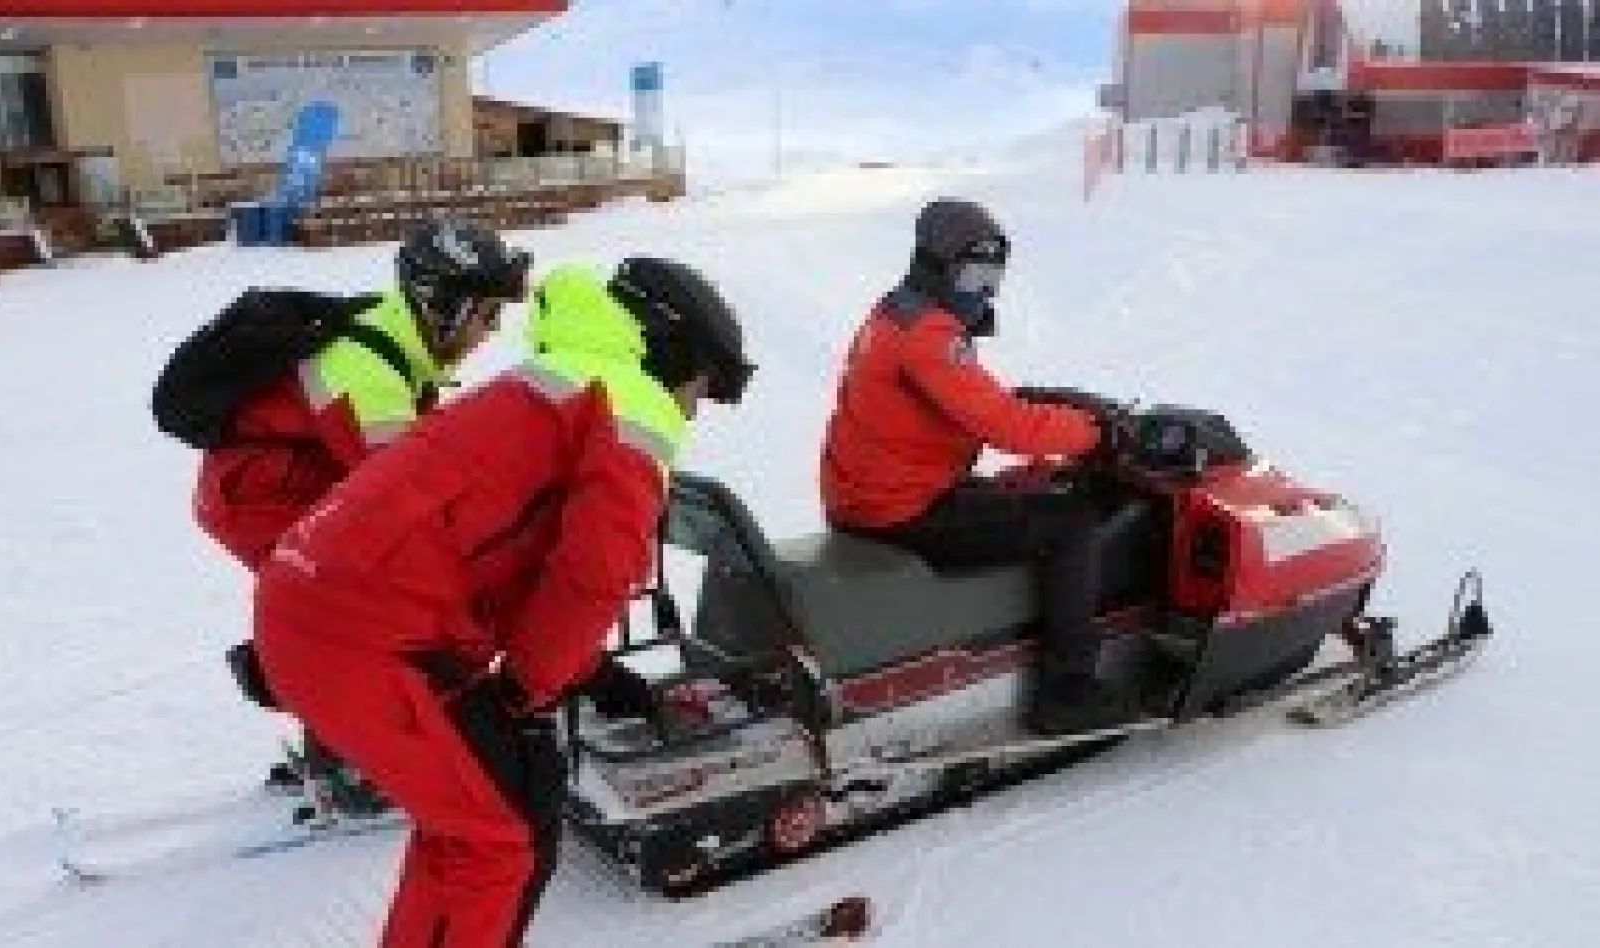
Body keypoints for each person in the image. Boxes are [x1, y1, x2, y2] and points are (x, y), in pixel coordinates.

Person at [252, 258, 753, 947]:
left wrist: (592, 677)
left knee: (469, 826)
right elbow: (592, 574)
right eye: (700, 387)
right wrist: (523, 692)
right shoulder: (634, 402)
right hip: (371, 638)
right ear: (671, 350)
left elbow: (513, 558)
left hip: (320, 606)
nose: (693, 408)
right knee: (501, 841)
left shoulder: (558, 379)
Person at [192, 219, 532, 801]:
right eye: (487, 314)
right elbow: (406, 502)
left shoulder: (396, 341)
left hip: (294, 486)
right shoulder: (366, 372)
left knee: (359, 604)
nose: (492, 332)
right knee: (357, 607)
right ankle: (343, 758)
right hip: (261, 500)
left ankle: (324, 720)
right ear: (444, 306)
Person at [819, 197, 1132, 736]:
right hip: (901, 509)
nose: (984, 290)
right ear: (939, 266)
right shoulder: (928, 335)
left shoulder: (897, 312)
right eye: (975, 273)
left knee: (1034, 490)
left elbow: (959, 408)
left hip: (876, 494)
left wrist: (1042, 425)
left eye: (993, 275)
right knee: (1069, 523)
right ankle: (1068, 689)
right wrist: (1096, 433)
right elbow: (1000, 422)